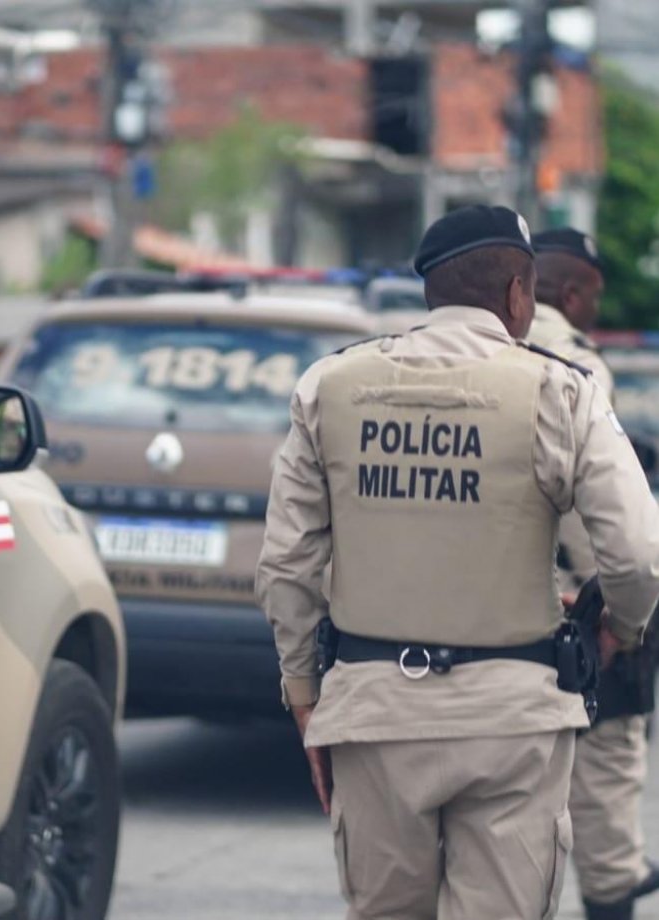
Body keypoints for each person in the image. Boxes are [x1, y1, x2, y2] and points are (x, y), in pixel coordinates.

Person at [256, 204, 659, 920]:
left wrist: (303, 692)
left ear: (431, 293)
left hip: (374, 711)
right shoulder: (562, 390)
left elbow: (287, 564)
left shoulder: (330, 387)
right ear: (517, 294)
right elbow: (637, 554)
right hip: (513, 719)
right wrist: (619, 631)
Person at [529, 227, 659, 920]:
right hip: (572, 603)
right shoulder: (579, 365)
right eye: (595, 301)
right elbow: (599, 510)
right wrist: (619, 611)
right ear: (572, 293)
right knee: (606, 764)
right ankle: (613, 886)